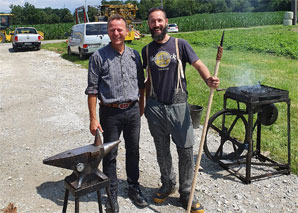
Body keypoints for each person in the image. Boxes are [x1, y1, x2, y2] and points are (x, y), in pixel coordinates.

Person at [142, 7, 220, 213]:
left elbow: (198, 64)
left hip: (178, 105)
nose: (156, 24)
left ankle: (186, 192)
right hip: (155, 107)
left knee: (185, 151)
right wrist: (144, 105)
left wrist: (208, 80)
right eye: (152, 21)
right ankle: (168, 184)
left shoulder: (180, 44)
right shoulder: (147, 50)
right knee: (161, 149)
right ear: (148, 25)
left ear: (166, 21)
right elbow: (147, 80)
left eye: (159, 20)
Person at [85, 14, 148, 212]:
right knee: (110, 156)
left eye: (120, 29)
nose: (116, 33)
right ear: (107, 32)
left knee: (134, 151)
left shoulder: (134, 55)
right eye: (112, 29)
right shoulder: (98, 57)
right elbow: (92, 91)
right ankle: (111, 194)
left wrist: (142, 105)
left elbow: (140, 84)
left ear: (127, 31)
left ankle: (133, 188)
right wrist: (93, 118)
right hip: (110, 114)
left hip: (131, 111)